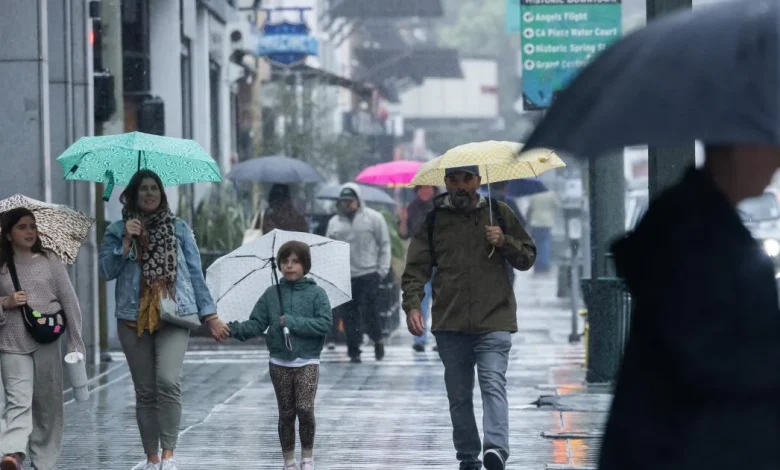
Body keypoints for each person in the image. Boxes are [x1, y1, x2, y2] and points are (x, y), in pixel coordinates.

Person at [599, 145, 780, 470]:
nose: (778, 161)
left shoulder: (696, 227)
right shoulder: (702, 244)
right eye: (772, 148)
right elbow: (718, 366)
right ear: (738, 151)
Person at [402, 166, 536, 470]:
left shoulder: (499, 213)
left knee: (492, 383)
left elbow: (527, 257)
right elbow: (416, 269)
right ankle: (467, 455)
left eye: (467, 179)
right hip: (451, 322)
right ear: (446, 182)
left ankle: (496, 449)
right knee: (459, 395)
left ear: (478, 181)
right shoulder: (435, 220)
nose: (460, 186)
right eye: (453, 180)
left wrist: (504, 241)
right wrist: (412, 305)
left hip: (495, 318)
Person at [99, 170, 229, 470]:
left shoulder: (179, 227)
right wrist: (126, 242)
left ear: (161, 193)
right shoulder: (118, 229)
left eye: (154, 188)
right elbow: (105, 271)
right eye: (142, 189)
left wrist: (210, 314)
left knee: (167, 381)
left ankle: (169, 456)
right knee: (145, 391)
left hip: (174, 314)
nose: (149, 194)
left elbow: (196, 273)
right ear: (132, 195)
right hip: (132, 318)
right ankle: (151, 457)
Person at [226, 241, 332, 470]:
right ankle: (289, 461)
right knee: (286, 413)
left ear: (305, 265)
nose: (290, 266)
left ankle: (307, 457)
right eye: (285, 262)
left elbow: (324, 324)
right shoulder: (271, 294)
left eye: (295, 262)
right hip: (279, 361)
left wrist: (292, 322)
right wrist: (231, 329)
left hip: (308, 359)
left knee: (304, 408)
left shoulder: (317, 294)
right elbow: (255, 323)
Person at [0, 208, 86, 470]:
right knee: (18, 400)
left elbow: (69, 302)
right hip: (11, 342)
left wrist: (75, 341)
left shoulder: (50, 260)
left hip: (47, 340)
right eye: (22, 227)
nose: (29, 232)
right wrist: (6, 302)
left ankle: (44, 461)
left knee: (48, 403)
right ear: (7, 234)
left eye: (32, 226)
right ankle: (13, 453)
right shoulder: (2, 266)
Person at [326, 183, 391, 363]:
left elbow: (384, 244)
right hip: (345, 275)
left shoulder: (374, 218)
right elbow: (329, 248)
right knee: (349, 314)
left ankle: (377, 339)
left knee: (370, 311)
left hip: (369, 273)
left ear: (358, 200)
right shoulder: (334, 222)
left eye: (351, 201)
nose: (347, 204)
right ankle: (353, 350)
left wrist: (382, 270)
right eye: (344, 201)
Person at [399, 185, 437, 352]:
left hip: (441, 262)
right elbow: (403, 234)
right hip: (420, 263)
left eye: (428, 188)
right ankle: (420, 338)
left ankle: (440, 338)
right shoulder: (411, 208)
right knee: (421, 300)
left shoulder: (441, 206)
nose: (425, 191)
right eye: (422, 189)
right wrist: (404, 219)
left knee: (441, 302)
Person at [525, 191, 560, 275]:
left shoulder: (534, 194)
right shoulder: (551, 194)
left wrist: (527, 220)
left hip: (535, 222)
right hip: (547, 222)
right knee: (545, 243)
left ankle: (537, 264)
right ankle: (544, 264)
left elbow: (529, 209)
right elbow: (557, 206)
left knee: (537, 244)